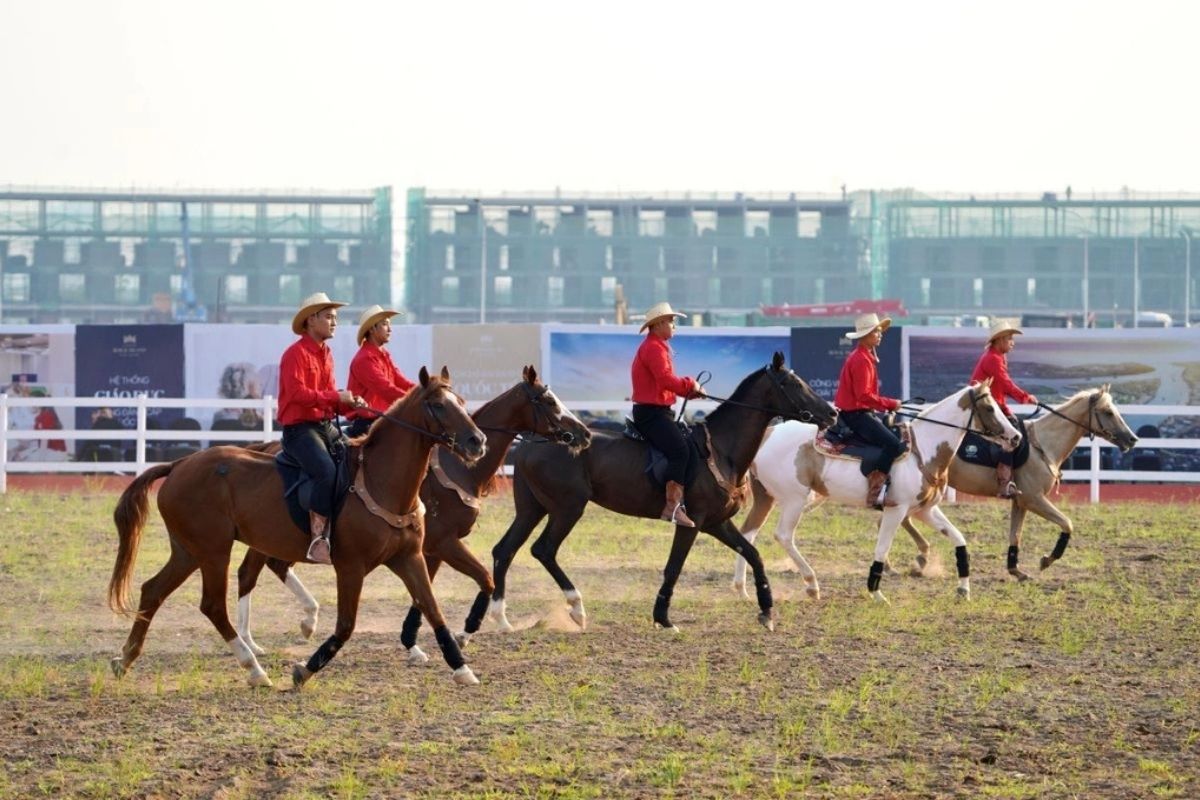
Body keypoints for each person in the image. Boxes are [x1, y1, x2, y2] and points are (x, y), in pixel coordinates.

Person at [277, 292, 365, 565]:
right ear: (311, 320)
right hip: (299, 431)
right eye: (328, 317)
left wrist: (348, 402)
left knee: (356, 457)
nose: (334, 322)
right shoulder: (295, 354)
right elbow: (297, 394)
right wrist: (335, 397)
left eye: (335, 317)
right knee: (326, 472)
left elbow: (326, 396)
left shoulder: (326, 354)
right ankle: (318, 539)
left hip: (323, 425)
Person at [631, 301, 705, 527]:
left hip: (656, 412)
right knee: (680, 451)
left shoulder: (657, 346)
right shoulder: (654, 348)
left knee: (686, 447)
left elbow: (663, 384)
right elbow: (665, 380)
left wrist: (690, 392)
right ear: (659, 323)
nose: (674, 326)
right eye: (672, 321)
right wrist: (690, 384)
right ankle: (671, 507)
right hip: (652, 414)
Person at [834, 313, 904, 509]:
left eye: (880, 331)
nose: (880, 335)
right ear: (865, 336)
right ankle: (874, 494)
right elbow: (863, 396)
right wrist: (891, 404)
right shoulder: (862, 360)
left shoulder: (864, 356)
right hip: (856, 416)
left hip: (859, 413)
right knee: (894, 445)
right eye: (876, 331)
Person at [971, 318, 1038, 498]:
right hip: (985, 408)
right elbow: (1006, 384)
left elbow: (999, 391)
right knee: (1011, 437)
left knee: (1014, 428)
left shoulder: (998, 357)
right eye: (1010, 339)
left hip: (993, 406)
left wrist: (1008, 410)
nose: (1012, 343)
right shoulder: (993, 359)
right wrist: (1025, 397)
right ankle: (1004, 483)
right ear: (1000, 340)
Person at [345, 305, 415, 438]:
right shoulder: (364, 359)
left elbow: (401, 381)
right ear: (372, 329)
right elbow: (386, 389)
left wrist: (424, 390)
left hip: (384, 419)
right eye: (385, 324)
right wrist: (415, 399)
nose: (390, 329)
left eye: (389, 324)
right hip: (367, 423)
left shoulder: (384, 354)